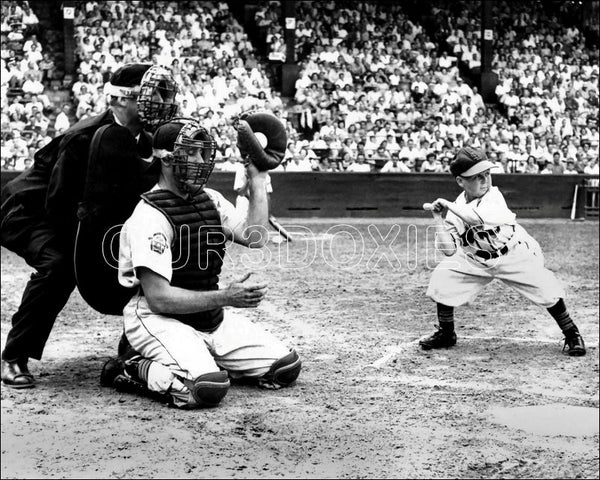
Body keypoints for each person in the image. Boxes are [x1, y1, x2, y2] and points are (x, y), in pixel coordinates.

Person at [100, 118, 301, 408]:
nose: (201, 160)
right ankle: (131, 366)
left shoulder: (211, 200)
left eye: (203, 153)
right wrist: (227, 297)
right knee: (205, 389)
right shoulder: (149, 216)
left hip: (209, 317)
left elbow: (255, 237)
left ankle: (199, 357)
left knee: (285, 367)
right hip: (160, 319)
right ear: (167, 159)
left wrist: (257, 178)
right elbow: (159, 299)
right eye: (191, 152)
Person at [0, 63, 179, 388]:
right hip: (30, 211)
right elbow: (57, 202)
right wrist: (88, 250)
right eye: (152, 96)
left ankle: (135, 347)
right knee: (59, 266)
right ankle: (13, 356)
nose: (162, 104)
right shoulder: (83, 136)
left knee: (140, 263)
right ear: (122, 101)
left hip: (79, 214)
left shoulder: (144, 141)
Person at [420, 147, 586, 356]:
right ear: (460, 181)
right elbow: (449, 250)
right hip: (475, 259)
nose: (485, 180)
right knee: (443, 277)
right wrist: (438, 219)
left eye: (487, 174)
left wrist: (447, 205)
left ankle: (572, 333)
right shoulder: (455, 210)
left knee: (547, 290)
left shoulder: (494, 197)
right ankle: (446, 333)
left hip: (512, 253)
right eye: (477, 176)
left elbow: (474, 218)